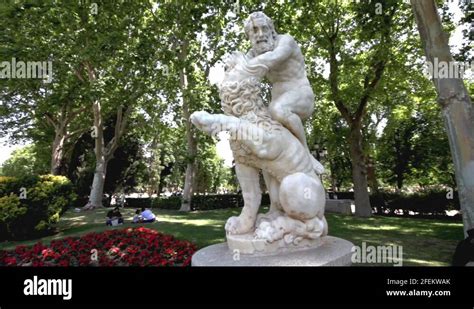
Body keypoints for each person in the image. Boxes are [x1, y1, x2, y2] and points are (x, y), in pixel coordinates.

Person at [242, 11, 324, 175]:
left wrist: (244, 66)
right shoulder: (252, 54)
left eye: (264, 29)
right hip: (278, 98)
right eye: (254, 30)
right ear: (248, 35)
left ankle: (306, 153)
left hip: (301, 94)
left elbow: (274, 57)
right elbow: (238, 76)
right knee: (265, 135)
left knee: (278, 110)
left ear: (272, 30)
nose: (260, 35)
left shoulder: (286, 41)